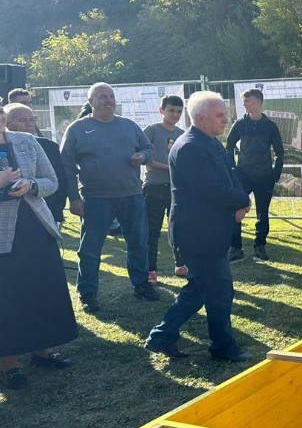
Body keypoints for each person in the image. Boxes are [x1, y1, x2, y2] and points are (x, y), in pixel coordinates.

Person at [145, 92, 252, 362]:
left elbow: (231, 175)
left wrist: (242, 199)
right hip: (197, 234)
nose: (226, 119)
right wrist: (241, 200)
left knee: (201, 289)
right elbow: (209, 188)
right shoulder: (190, 146)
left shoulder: (210, 142)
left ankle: (162, 336)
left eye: (225, 114)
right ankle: (222, 347)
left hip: (209, 231)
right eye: (220, 115)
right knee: (219, 289)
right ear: (201, 118)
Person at [60, 82, 158, 313]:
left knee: (138, 243)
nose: (108, 100)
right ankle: (88, 293)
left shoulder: (128, 125)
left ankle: (141, 284)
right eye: (103, 97)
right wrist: (74, 198)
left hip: (132, 194)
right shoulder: (77, 129)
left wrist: (142, 156)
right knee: (91, 248)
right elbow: (66, 165)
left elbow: (148, 148)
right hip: (95, 198)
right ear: (90, 102)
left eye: (111, 96)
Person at [0, 106, 77, 390]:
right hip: (3, 235)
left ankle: (42, 352)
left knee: (42, 288)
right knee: (8, 298)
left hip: (35, 225)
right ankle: (9, 366)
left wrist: (31, 184)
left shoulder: (26, 141)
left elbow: (52, 181)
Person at [226, 88, 284, 263]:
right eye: (244, 101)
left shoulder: (270, 126)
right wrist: (233, 170)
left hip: (265, 176)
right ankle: (236, 249)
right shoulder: (240, 124)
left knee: (262, 214)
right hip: (242, 175)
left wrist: (275, 174)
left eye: (247, 101)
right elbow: (228, 146)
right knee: (236, 210)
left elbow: (280, 152)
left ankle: (260, 247)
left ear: (258, 102)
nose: (244, 104)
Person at [143, 95, 187, 285]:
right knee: (152, 231)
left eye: (178, 111)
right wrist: (170, 167)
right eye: (171, 110)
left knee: (178, 229)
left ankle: (181, 264)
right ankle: (151, 270)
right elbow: (146, 159)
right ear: (162, 110)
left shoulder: (183, 133)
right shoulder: (152, 130)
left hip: (176, 188)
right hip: (153, 187)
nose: (174, 114)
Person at [4, 103, 67, 224]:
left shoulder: (50, 147)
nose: (28, 124)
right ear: (7, 123)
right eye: (22, 120)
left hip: (42, 210)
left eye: (31, 120)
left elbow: (58, 180)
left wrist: (56, 210)